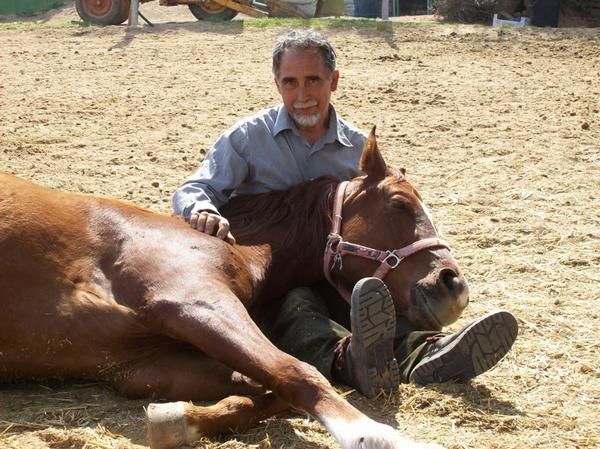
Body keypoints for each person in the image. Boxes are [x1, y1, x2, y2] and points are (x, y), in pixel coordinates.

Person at [172, 29, 518, 398]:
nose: (302, 95)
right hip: (269, 272)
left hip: (330, 266)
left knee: (366, 298)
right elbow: (194, 188)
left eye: (313, 81)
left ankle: (428, 352)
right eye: (290, 82)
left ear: (333, 81)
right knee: (300, 304)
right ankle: (345, 361)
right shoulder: (247, 139)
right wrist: (203, 209)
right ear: (277, 84)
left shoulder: (356, 149)